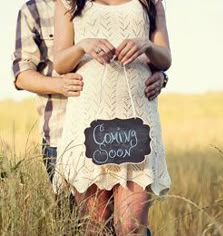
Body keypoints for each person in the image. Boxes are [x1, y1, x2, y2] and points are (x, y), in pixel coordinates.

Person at [12, 0, 165, 183]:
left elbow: (143, 52)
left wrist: (160, 75)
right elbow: (21, 74)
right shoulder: (34, 9)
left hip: (121, 128)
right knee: (73, 210)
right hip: (61, 133)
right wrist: (59, 85)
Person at [53, 0, 172, 235]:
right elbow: (60, 63)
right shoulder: (67, 2)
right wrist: (83, 46)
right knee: (95, 228)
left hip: (138, 122)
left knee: (132, 227)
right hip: (88, 122)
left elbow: (165, 58)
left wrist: (146, 45)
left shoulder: (151, 2)